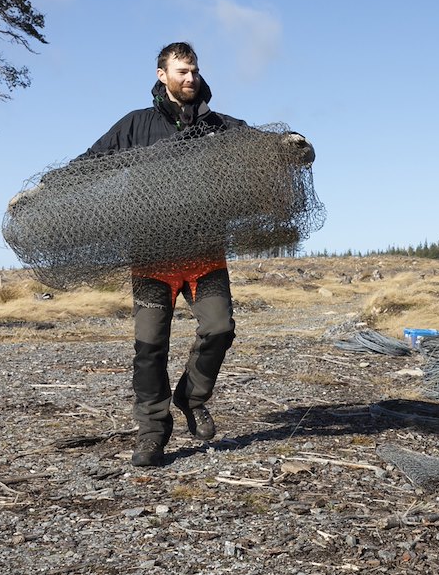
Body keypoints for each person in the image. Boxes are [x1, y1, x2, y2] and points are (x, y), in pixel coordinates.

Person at [83, 41, 314, 467]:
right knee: (150, 346)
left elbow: (259, 143)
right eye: (181, 72)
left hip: (205, 252)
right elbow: (90, 163)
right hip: (152, 254)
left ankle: (190, 397)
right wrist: (43, 191)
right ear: (161, 75)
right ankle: (153, 431)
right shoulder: (135, 125)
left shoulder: (218, 126)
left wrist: (289, 143)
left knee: (220, 329)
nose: (190, 79)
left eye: (194, 71)